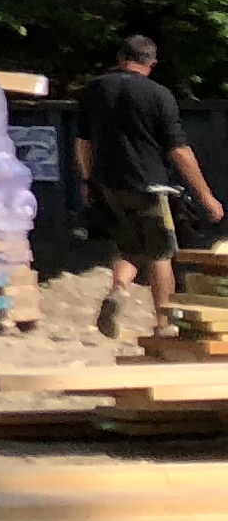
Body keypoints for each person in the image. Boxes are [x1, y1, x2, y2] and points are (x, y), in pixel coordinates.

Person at [73, 36, 217, 340]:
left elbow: (83, 143)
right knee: (161, 253)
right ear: (152, 64)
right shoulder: (158, 95)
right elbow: (179, 150)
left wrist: (89, 181)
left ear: (120, 57)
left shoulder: (95, 90)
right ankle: (164, 324)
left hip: (109, 185)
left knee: (128, 247)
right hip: (150, 186)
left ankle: (118, 291)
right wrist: (206, 195)